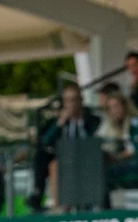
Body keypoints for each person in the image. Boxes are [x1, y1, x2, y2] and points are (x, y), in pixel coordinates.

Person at [34, 83, 101, 211]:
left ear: (81, 100)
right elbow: (45, 142)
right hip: (66, 160)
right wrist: (59, 124)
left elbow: (93, 138)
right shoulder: (60, 122)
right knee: (53, 164)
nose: (71, 104)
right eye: (68, 101)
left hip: (87, 159)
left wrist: (80, 124)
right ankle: (61, 206)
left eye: (74, 100)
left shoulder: (91, 119)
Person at [97, 92, 138, 190]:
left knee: (105, 172)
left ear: (125, 106)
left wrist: (116, 157)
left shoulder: (134, 123)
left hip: (137, 162)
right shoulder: (111, 124)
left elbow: (134, 150)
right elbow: (99, 138)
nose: (114, 111)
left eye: (116, 106)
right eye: (110, 108)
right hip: (120, 160)